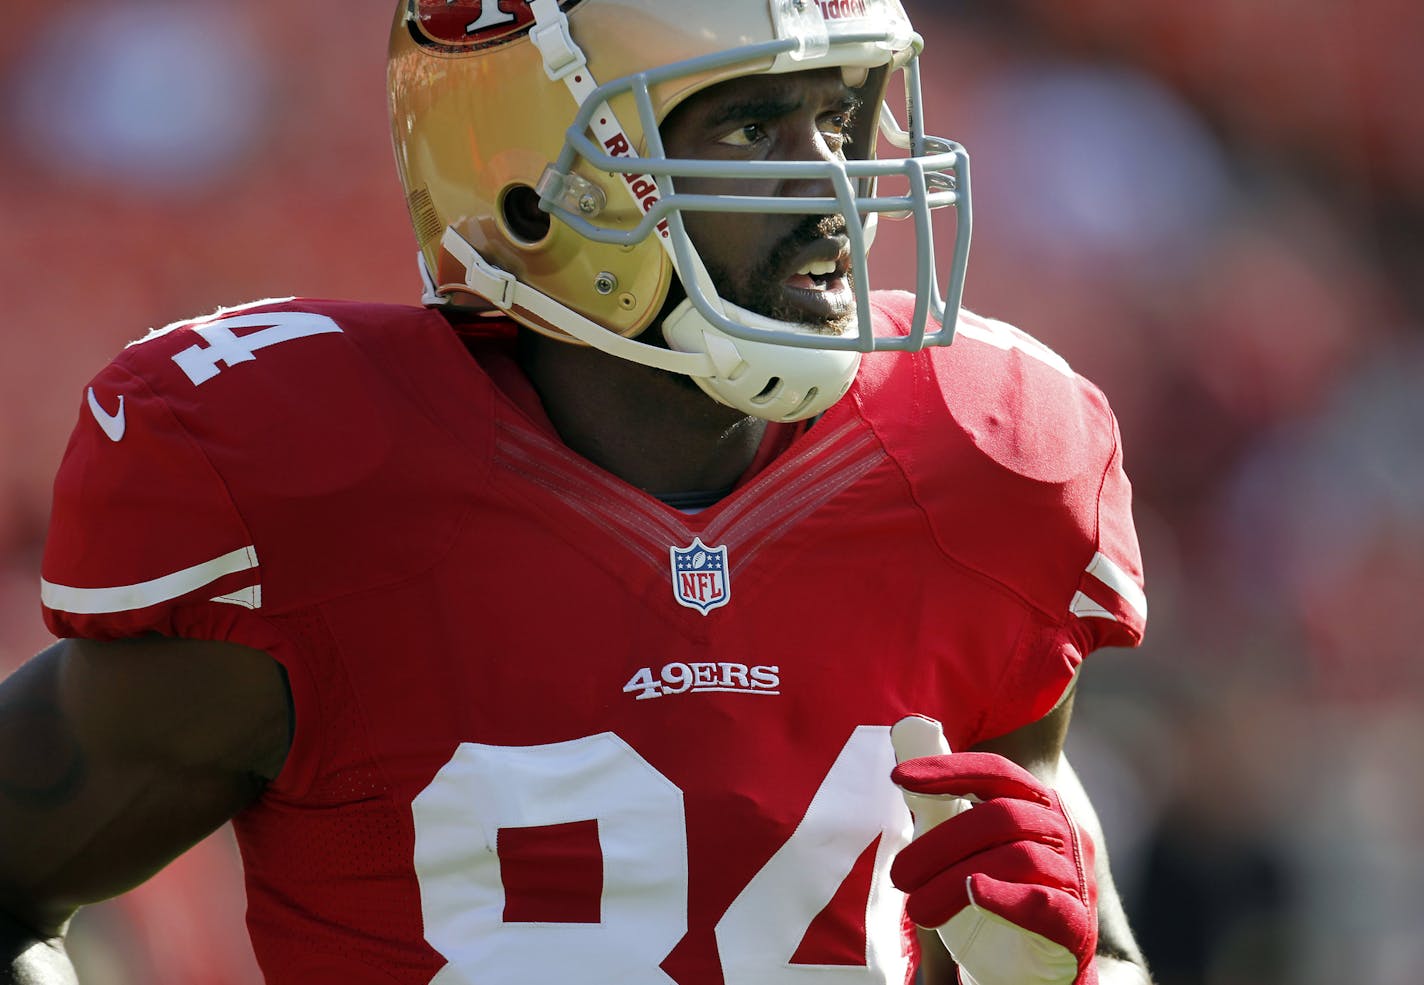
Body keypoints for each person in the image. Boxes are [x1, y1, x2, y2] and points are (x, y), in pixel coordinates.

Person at [0, 1, 1154, 983]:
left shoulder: (980, 465)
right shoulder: (318, 493)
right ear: (531, 183)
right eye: (753, 128)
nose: (834, 190)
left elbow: (1081, 934)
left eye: (844, 119)